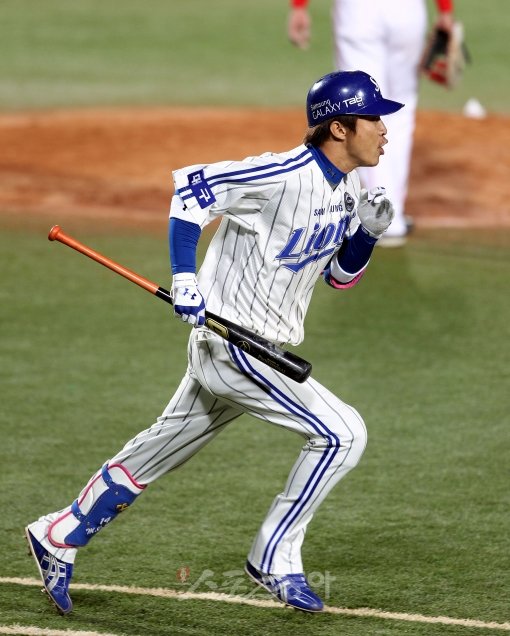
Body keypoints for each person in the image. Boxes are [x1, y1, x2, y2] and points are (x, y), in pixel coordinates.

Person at [25, 70, 403, 615]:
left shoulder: (348, 191)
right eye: (373, 118)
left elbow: (338, 278)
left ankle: (58, 534)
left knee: (159, 449)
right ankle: (273, 557)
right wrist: (184, 277)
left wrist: (366, 234)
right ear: (339, 128)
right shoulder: (280, 174)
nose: (384, 129)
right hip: (234, 347)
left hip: (262, 348)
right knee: (344, 434)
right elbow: (190, 191)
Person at [288, 0, 455, 246]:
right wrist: (445, 11)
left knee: (359, 107)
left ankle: (380, 215)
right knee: (401, 110)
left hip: (359, 11)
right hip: (407, 12)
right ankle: (392, 212)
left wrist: (299, 7)